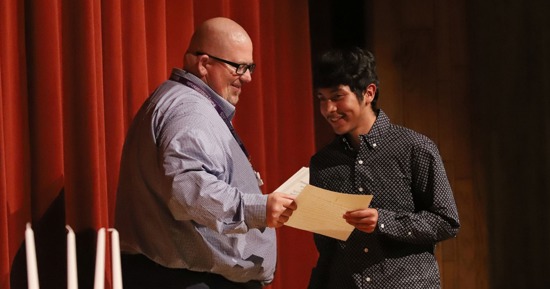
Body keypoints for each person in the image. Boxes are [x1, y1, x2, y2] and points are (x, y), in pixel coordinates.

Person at [115, 17, 297, 289]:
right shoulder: (190, 111)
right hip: (191, 281)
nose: (247, 77)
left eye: (250, 67)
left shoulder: (178, 102)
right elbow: (187, 189)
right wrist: (257, 209)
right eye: (239, 67)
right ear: (203, 64)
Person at [307, 47, 460, 289]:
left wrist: (383, 221)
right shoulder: (322, 163)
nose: (328, 109)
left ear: (368, 93)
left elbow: (446, 221)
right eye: (321, 99)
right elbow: (327, 250)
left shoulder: (414, 148)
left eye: (337, 97)